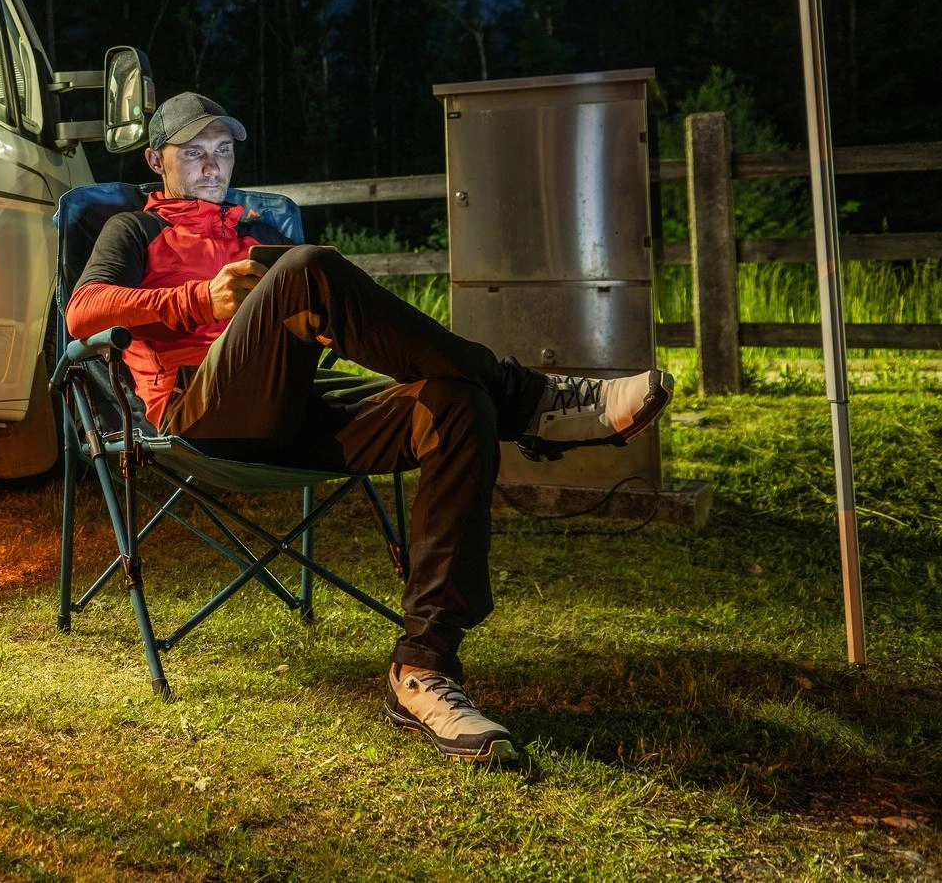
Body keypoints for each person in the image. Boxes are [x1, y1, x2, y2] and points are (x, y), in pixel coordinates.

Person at [64, 92, 671, 766]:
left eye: (224, 151)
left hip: (297, 405)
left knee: (453, 406)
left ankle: (423, 670)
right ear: (156, 161)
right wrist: (198, 300)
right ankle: (529, 397)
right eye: (194, 153)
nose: (213, 165)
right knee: (306, 268)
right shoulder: (133, 230)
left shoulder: (252, 231)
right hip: (197, 413)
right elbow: (82, 312)